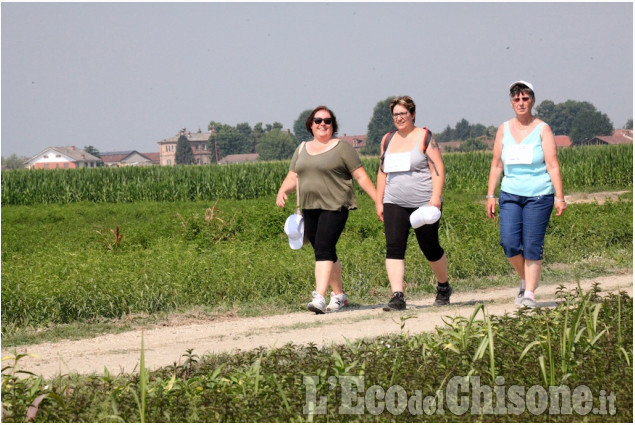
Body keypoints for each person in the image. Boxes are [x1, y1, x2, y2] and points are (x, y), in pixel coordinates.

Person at [276, 105, 377, 314]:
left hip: (336, 205)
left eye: (328, 121)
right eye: (318, 120)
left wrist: (378, 200)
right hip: (309, 207)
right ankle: (339, 295)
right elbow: (293, 175)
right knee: (324, 249)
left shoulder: (342, 148)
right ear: (310, 125)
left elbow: (360, 176)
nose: (323, 124)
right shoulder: (302, 149)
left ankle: (320, 297)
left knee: (323, 246)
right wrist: (282, 190)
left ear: (333, 125)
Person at [486, 81, 567, 308]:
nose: (521, 103)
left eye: (525, 98)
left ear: (532, 101)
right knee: (509, 243)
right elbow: (496, 164)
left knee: (532, 244)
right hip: (510, 193)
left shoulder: (543, 129)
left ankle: (529, 293)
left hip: (539, 195)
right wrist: (490, 195)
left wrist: (559, 197)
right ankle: (526, 278)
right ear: (511, 103)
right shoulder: (504, 129)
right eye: (516, 99)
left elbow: (552, 164)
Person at [375, 96, 451, 311]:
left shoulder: (424, 136)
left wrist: (435, 198)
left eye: (403, 113)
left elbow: (438, 168)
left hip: (423, 202)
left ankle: (443, 286)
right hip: (394, 201)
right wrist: (379, 201)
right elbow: (382, 172)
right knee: (394, 247)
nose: (399, 118)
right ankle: (397, 296)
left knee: (429, 246)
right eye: (396, 115)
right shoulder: (387, 139)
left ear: (413, 114)